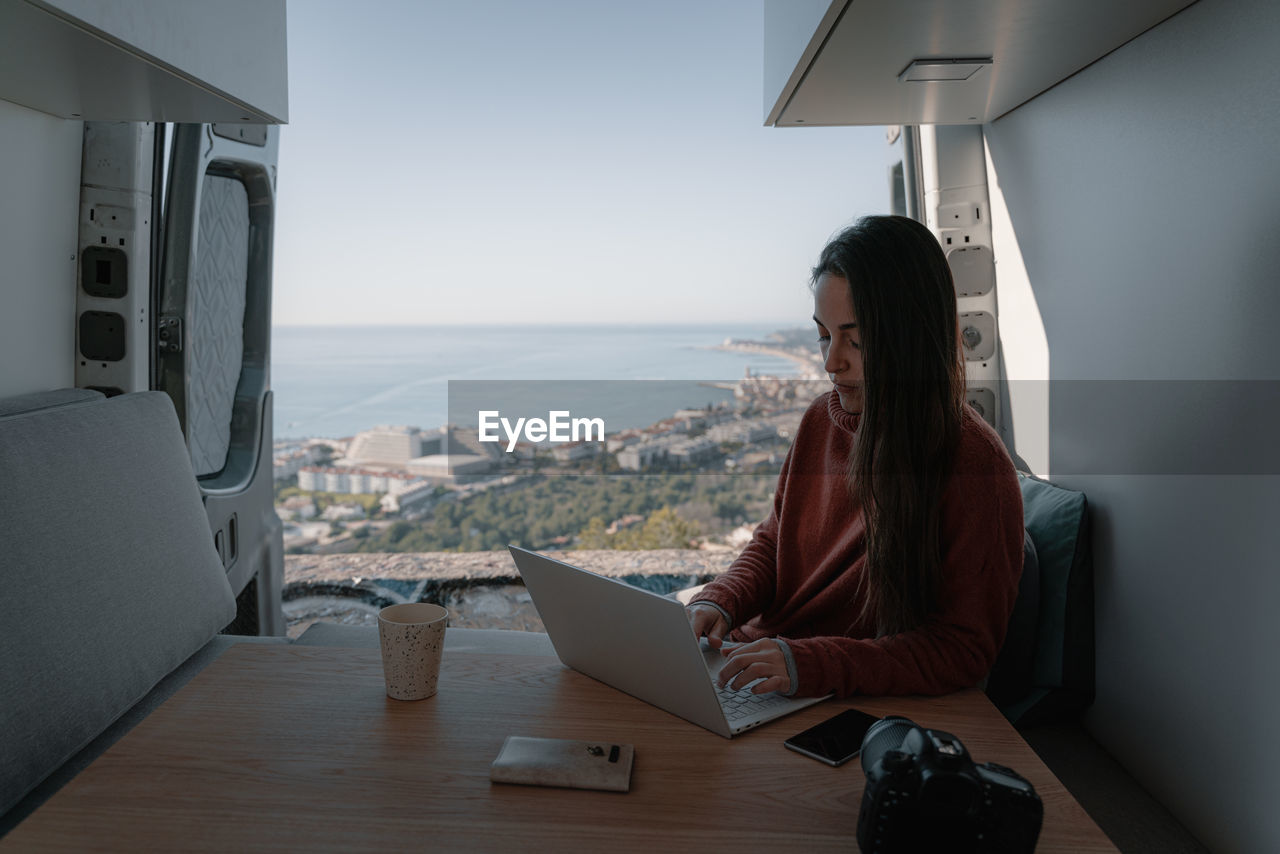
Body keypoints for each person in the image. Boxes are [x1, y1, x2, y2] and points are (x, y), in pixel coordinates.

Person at [687, 215, 1024, 699]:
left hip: (834, 698)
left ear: (912, 336)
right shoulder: (819, 421)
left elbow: (962, 651)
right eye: (823, 335)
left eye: (857, 340)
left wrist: (809, 664)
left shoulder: (973, 465)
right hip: (756, 665)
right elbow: (775, 542)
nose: (831, 362)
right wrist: (720, 600)